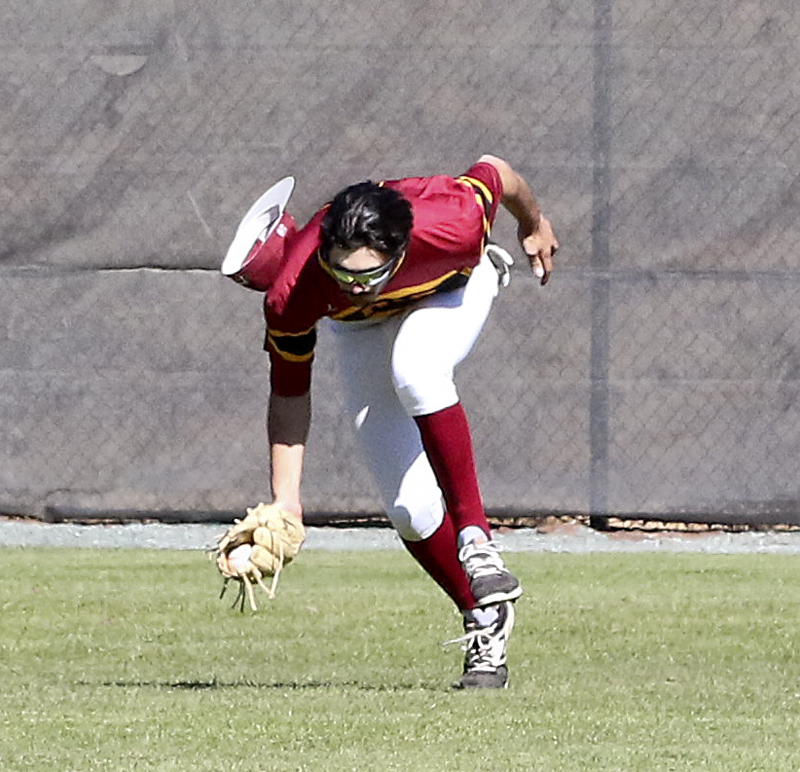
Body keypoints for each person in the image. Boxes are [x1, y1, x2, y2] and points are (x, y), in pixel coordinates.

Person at [224, 154, 558, 688]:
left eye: (369, 273)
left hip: (450, 290)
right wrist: (286, 500)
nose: (355, 285)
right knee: (409, 510)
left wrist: (533, 222)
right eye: (342, 273)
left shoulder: (453, 221)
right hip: (362, 332)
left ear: (399, 249)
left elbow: (498, 171)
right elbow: (289, 393)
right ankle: (483, 617)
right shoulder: (293, 292)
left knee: (417, 366)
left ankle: (476, 538)